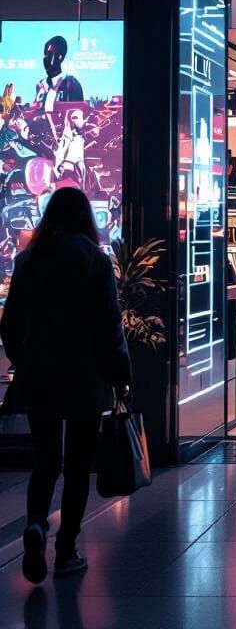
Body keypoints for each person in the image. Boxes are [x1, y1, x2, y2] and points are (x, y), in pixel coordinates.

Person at [0, 187, 131, 583]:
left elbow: (10, 325)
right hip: (85, 378)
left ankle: (37, 524)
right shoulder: (95, 262)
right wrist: (121, 375)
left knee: (45, 462)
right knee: (77, 466)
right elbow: (110, 327)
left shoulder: (27, 262)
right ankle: (66, 549)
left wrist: (24, 361)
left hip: (40, 377)